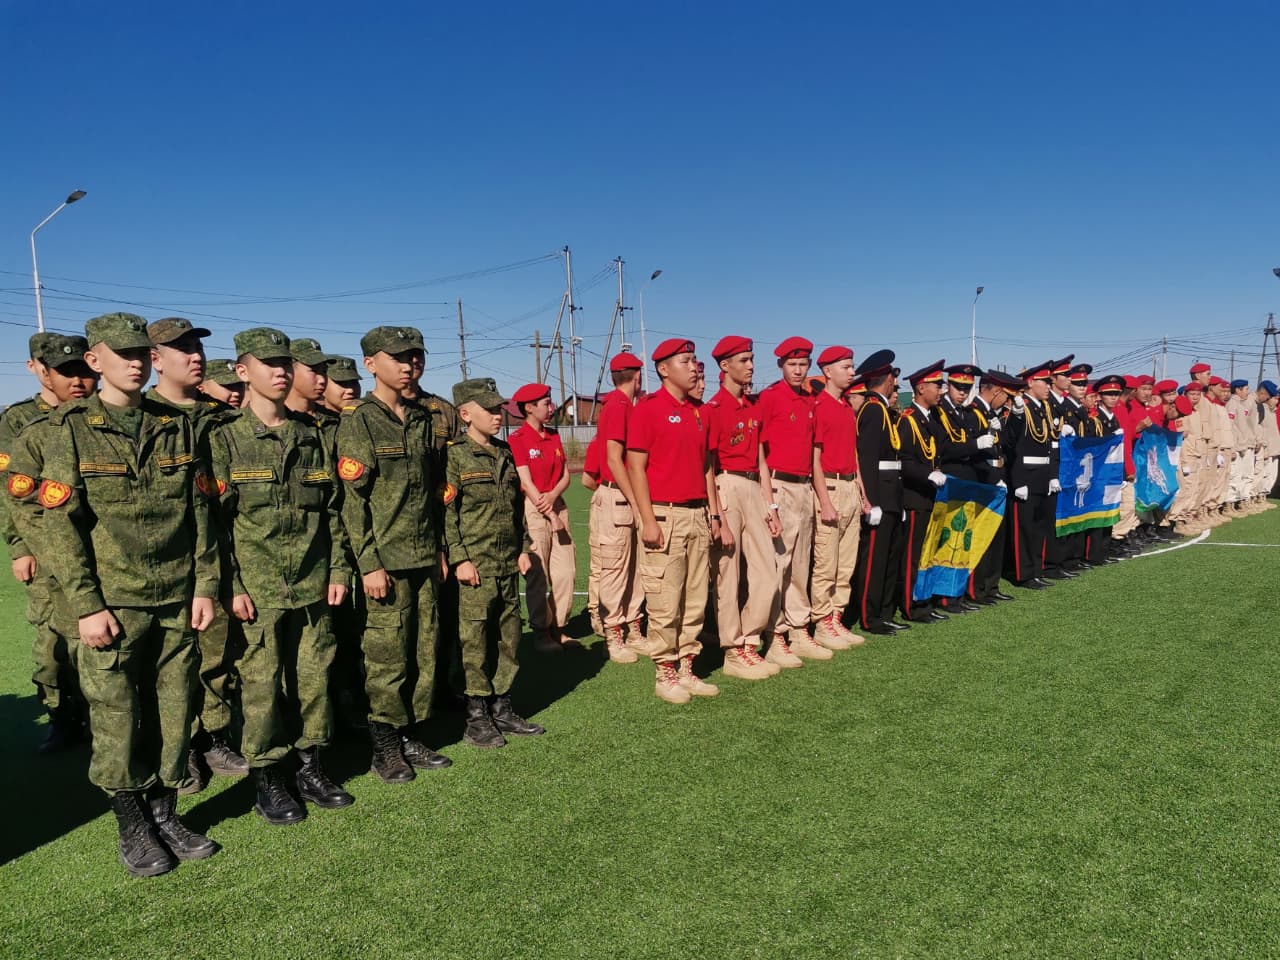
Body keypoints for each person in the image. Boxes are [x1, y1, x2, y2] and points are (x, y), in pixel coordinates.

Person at [8, 312, 219, 877]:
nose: (136, 363)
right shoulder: (67, 430)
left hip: (175, 596)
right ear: (94, 360)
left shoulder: (174, 424)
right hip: (113, 602)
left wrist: (205, 586)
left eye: (141, 353)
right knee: (117, 715)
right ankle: (132, 822)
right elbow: (59, 526)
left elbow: (200, 512)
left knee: (175, 710)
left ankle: (166, 811)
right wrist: (87, 605)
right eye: (122, 354)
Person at [209, 328, 354, 823]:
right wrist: (231, 585)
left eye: (286, 363)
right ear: (242, 371)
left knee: (314, 680)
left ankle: (312, 767)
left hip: (313, 581)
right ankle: (268, 777)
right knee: (262, 686)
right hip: (259, 587)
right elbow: (215, 524)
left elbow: (332, 510)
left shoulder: (311, 436)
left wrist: (338, 568)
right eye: (268, 363)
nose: (281, 371)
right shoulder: (224, 438)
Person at [337, 325, 450, 784]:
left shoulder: (423, 417)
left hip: (423, 555)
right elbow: (353, 502)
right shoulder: (360, 420)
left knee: (423, 650)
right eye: (399, 357)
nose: (410, 364)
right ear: (370, 364)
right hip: (386, 561)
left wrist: (439, 548)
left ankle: (409, 734)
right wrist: (369, 563)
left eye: (416, 356)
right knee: (386, 656)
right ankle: (384, 745)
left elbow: (430, 492)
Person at [145, 316, 248, 790]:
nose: (195, 356)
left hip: (221, 553)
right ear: (155, 359)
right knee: (169, 665)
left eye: (198, 348)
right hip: (163, 559)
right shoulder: (143, 416)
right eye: (182, 349)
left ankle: (214, 736)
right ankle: (180, 745)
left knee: (216, 654)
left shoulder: (220, 416)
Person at [0, 333, 95, 752]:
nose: (78, 381)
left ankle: (100, 720)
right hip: (43, 550)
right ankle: (61, 716)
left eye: (84, 371)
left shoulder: (99, 416)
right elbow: (13, 493)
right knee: (52, 643)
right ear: (40, 370)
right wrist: (20, 548)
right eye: (65, 371)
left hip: (97, 550)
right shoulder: (20, 420)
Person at [443, 378, 544, 747]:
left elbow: (515, 508)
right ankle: (476, 714)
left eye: (499, 408)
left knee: (509, 636)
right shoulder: (455, 456)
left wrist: (523, 548)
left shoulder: (504, 452)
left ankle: (502, 706)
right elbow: (447, 513)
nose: (498, 415)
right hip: (476, 566)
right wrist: (459, 558)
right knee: (474, 640)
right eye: (488, 409)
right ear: (465, 414)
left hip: (506, 563)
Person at [627, 338, 723, 703]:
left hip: (697, 514)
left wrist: (713, 513)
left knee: (695, 598)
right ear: (664, 369)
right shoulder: (648, 410)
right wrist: (648, 520)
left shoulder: (700, 412)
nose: (694, 367)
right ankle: (664, 671)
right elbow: (635, 468)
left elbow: (706, 467)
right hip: (664, 515)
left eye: (695, 360)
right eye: (686, 361)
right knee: (665, 599)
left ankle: (686, 667)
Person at [704, 336, 782, 680]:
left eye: (751, 359)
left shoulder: (754, 407)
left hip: (753, 486)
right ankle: (733, 650)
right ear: (725, 366)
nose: (751, 366)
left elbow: (762, 461)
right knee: (729, 574)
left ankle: (750, 639)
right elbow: (707, 466)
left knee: (768, 572)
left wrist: (771, 505)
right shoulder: (713, 409)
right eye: (744, 360)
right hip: (726, 486)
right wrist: (717, 514)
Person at [756, 336, 830, 664]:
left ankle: (799, 630)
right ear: (781, 365)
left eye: (803, 364)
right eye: (792, 364)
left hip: (803, 486)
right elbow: (758, 449)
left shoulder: (810, 400)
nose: (798, 370)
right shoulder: (770, 398)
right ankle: (774, 634)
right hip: (779, 485)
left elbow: (814, 451)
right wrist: (767, 496)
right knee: (779, 564)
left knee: (801, 563)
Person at [508, 382, 576, 652]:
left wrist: (554, 496)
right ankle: (541, 631)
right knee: (539, 574)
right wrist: (549, 513)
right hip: (534, 510)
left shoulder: (554, 436)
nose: (552, 407)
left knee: (566, 573)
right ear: (529, 408)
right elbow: (525, 482)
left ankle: (559, 626)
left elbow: (566, 475)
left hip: (556, 504)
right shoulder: (518, 439)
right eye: (546, 403)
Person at [591, 352, 649, 662]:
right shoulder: (616, 405)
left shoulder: (625, 405)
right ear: (637, 376)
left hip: (626, 496)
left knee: (635, 567)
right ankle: (613, 633)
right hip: (617, 496)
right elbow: (614, 460)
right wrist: (636, 502)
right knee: (615, 568)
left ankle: (633, 628)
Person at [809, 345, 867, 647]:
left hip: (849, 486)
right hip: (830, 487)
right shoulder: (819, 406)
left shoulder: (846, 407)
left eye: (851, 366)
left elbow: (853, 455)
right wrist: (824, 500)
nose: (851, 372)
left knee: (846, 562)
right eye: (846, 367)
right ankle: (821, 621)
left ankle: (836, 617)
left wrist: (863, 494)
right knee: (826, 562)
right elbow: (814, 458)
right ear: (827, 371)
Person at [933, 363, 997, 610]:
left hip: (967, 482)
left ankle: (956, 593)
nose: (962, 392)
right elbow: (944, 448)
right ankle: (944, 596)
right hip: (950, 481)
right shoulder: (941, 413)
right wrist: (975, 445)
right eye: (958, 387)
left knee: (962, 542)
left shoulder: (966, 414)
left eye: (967, 388)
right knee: (947, 541)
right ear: (948, 385)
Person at [853, 350, 907, 636]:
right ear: (887, 379)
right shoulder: (873, 410)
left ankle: (885, 612)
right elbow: (868, 459)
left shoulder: (882, 409)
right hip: (880, 498)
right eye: (893, 378)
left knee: (889, 558)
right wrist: (870, 501)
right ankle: (871, 616)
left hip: (891, 495)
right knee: (875, 560)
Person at [897, 360, 950, 623]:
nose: (941, 390)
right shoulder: (908, 420)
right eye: (936, 385)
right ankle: (911, 605)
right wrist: (926, 474)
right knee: (913, 555)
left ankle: (924, 600)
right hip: (915, 497)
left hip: (931, 496)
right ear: (920, 388)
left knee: (928, 553)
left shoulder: (932, 418)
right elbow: (904, 460)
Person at [964, 367, 1018, 604]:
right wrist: (993, 477)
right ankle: (977, 588)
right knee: (981, 537)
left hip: (997, 477)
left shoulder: (990, 413)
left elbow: (1004, 445)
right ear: (996, 391)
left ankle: (991, 585)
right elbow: (972, 454)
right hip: (983, 481)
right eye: (1006, 396)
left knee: (996, 536)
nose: (1006, 401)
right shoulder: (973, 413)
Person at [1005, 362, 1059, 588]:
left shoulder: (1042, 409)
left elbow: (1051, 445)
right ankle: (1024, 573)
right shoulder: (1021, 408)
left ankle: (1037, 569)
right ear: (1030, 382)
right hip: (1026, 476)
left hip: (1043, 475)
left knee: (1039, 527)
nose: (1048, 386)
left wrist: (1053, 474)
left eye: (1049, 382)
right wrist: (1018, 480)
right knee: (1025, 529)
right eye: (1044, 382)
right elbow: (1013, 446)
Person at [1226, 378, 1258, 514]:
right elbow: (1230, 427)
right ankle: (1228, 505)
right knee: (1233, 477)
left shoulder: (1240, 404)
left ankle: (1239, 502)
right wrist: (1232, 447)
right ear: (1238, 390)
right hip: (1236, 446)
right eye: (1245, 389)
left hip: (1242, 445)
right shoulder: (1232, 404)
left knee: (1242, 475)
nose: (1247, 392)